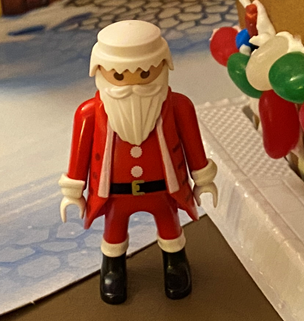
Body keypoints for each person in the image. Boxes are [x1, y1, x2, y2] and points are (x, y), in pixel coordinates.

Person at [59, 20, 219, 304]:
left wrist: (203, 180)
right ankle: (113, 269)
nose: (133, 85)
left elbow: (194, 147)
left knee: (170, 228)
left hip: (164, 191)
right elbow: (79, 156)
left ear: (161, 66)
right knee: (113, 232)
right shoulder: (89, 114)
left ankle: (175, 264)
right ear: (101, 70)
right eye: (120, 76)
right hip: (114, 194)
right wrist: (73, 192)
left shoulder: (178, 106)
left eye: (145, 73)